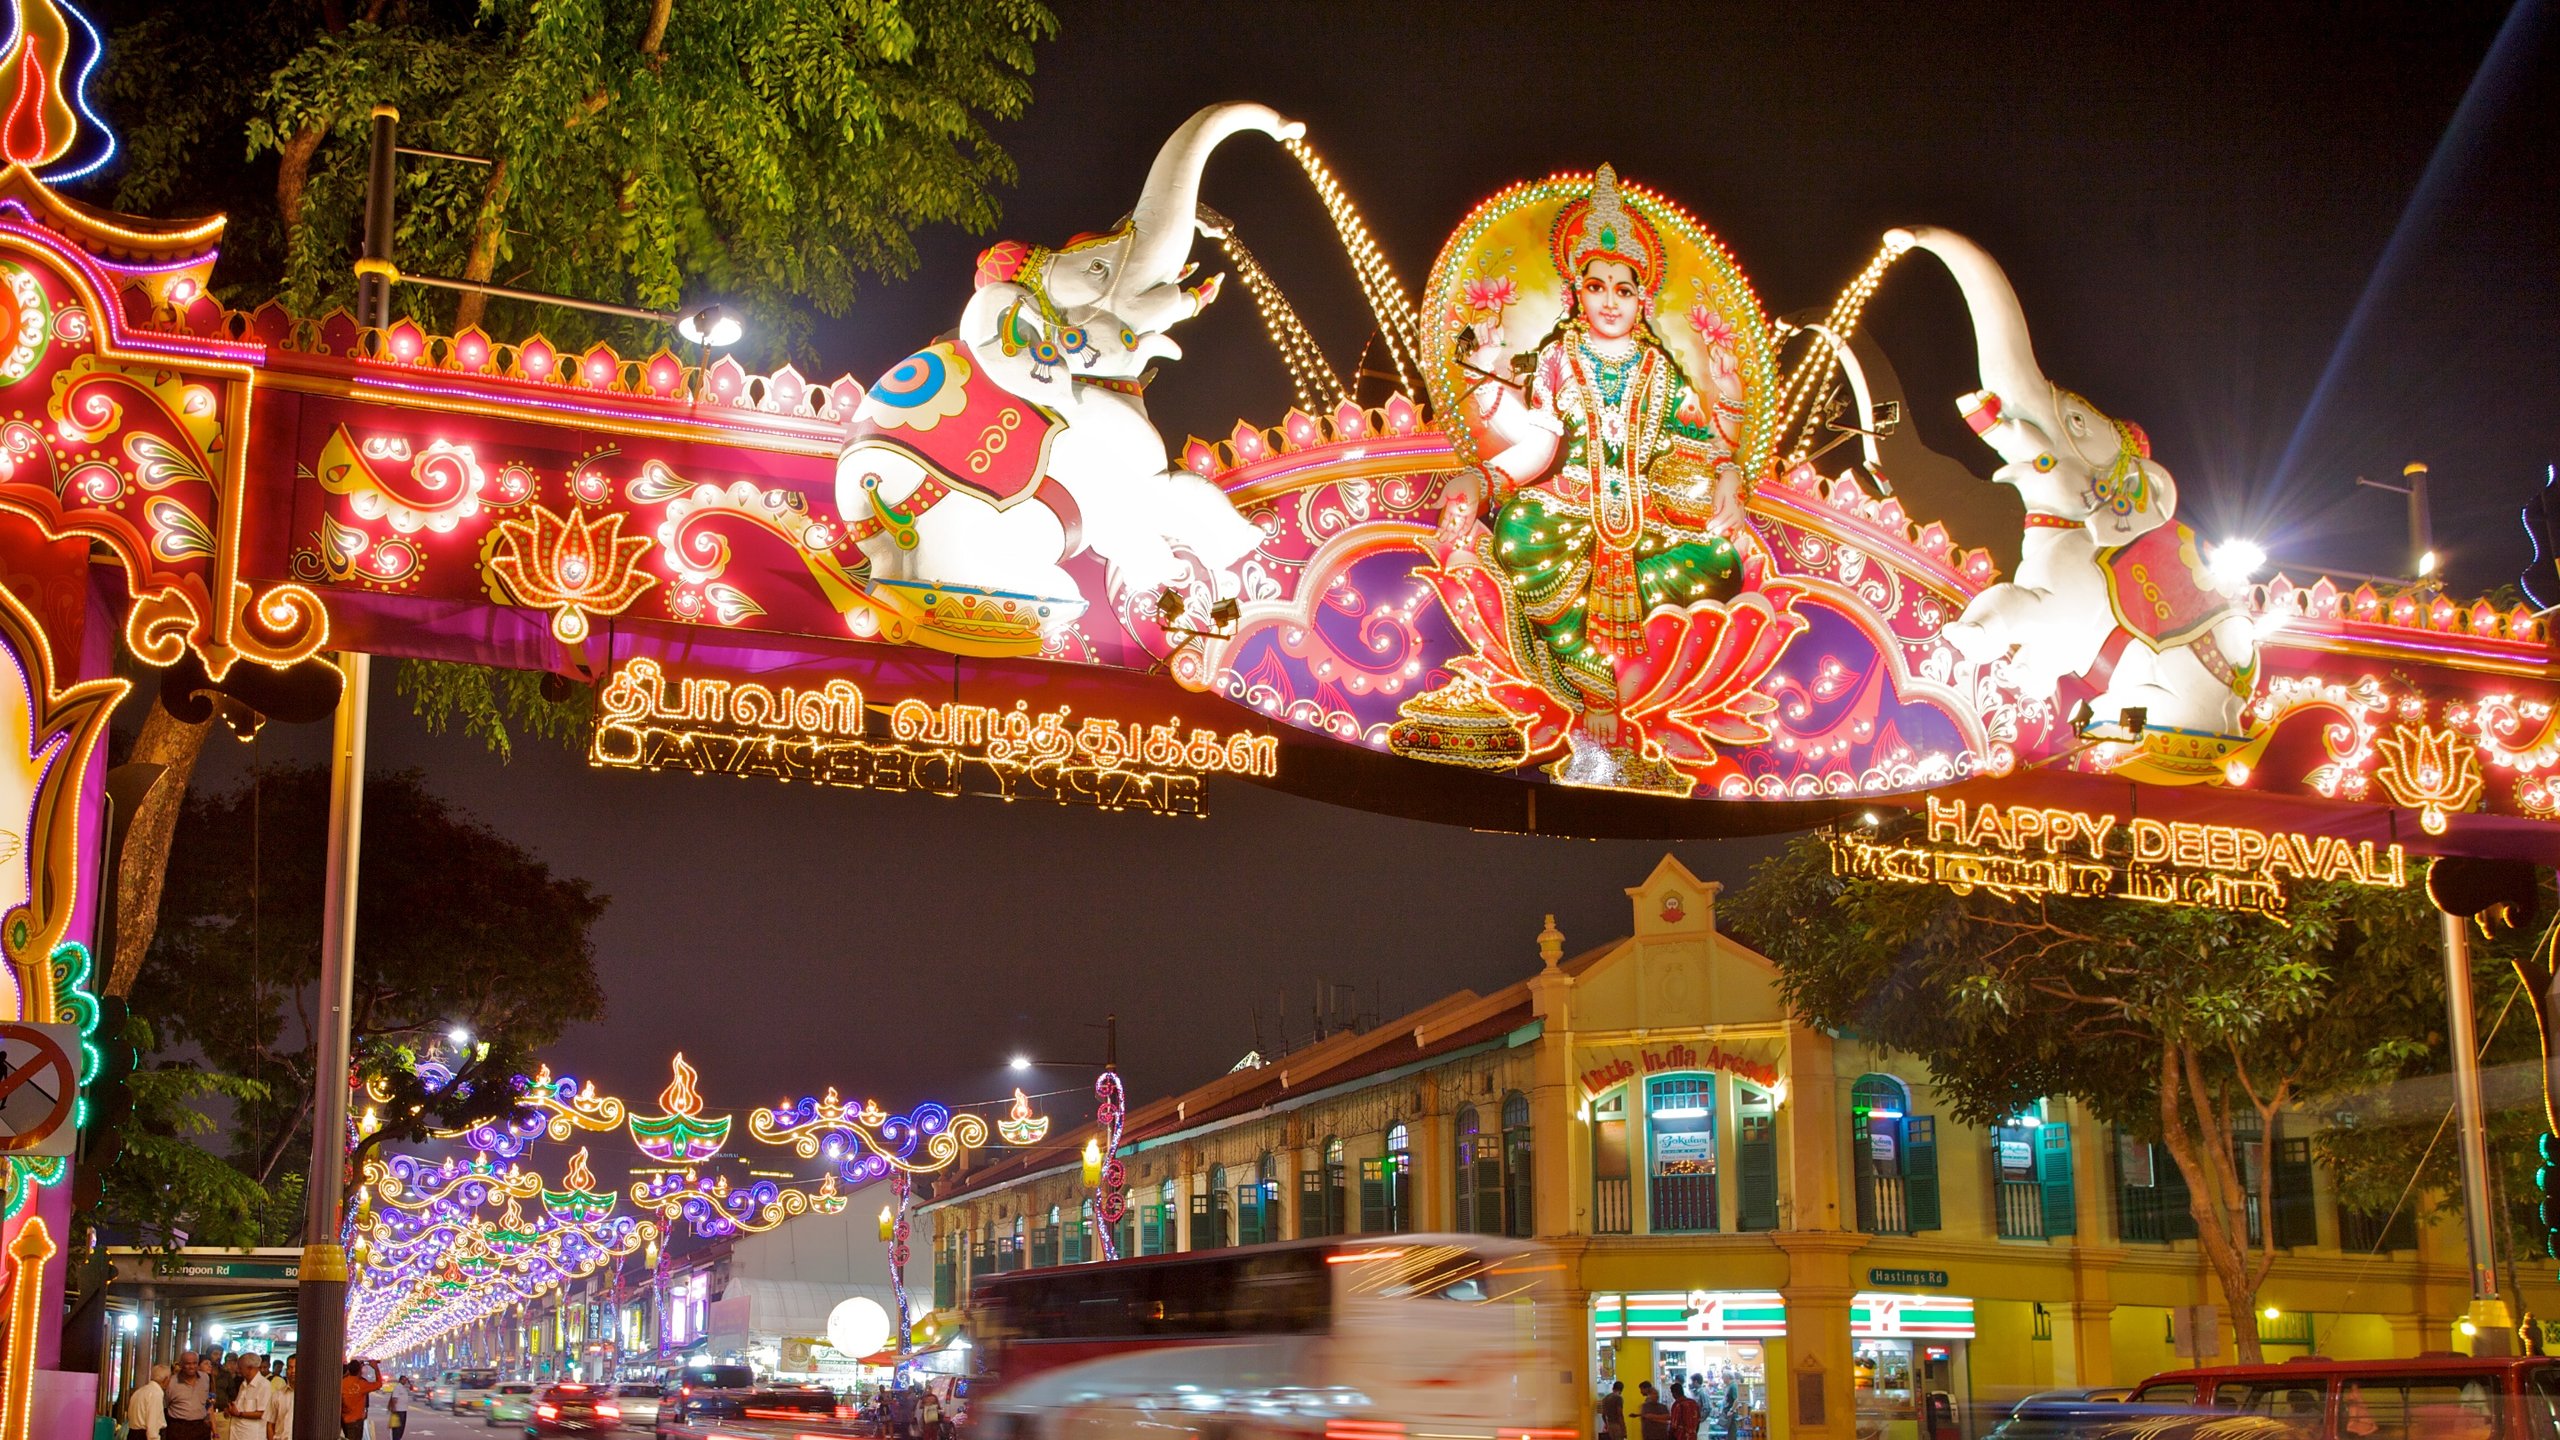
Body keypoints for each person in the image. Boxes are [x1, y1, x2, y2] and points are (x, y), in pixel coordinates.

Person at [1451, 163, 1750, 791]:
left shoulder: (1662, 374)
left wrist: (1727, 475)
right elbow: (1539, 443)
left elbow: (1697, 447)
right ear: (1575, 295)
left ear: (1643, 300)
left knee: (1720, 562)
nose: (1609, 300)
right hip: (1568, 513)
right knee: (1520, 533)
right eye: (1597, 286)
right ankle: (1592, 693)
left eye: (1623, 288)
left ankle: (1629, 709)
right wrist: (1482, 482)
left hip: (1652, 524)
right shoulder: (1558, 359)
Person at [164, 1354, 212, 1440]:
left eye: (195, 1363)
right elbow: (166, 1404)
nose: (192, 1367)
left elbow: (207, 1402)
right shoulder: (171, 1382)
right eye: (188, 1364)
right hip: (179, 1428)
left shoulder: (205, 1378)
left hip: (200, 1427)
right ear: (181, 1364)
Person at [225, 1356, 273, 1440]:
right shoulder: (243, 1384)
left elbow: (263, 1414)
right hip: (237, 1433)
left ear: (250, 1368)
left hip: (252, 1435)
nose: (238, 1370)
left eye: (240, 1368)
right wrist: (230, 1410)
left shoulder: (264, 1385)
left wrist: (239, 1414)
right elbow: (238, 1408)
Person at [341, 1359, 386, 1440]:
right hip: (356, 1422)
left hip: (345, 1421)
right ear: (359, 1371)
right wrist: (375, 1368)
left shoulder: (343, 1382)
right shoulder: (362, 1384)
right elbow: (379, 1384)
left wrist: (351, 1370)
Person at [127, 1364, 171, 1440]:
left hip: (133, 1434)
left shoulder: (139, 1391)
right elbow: (152, 1426)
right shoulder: (155, 1394)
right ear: (166, 1379)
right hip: (144, 1436)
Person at [384, 1375, 408, 1440]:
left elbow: (411, 1388)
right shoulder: (398, 1387)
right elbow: (394, 1398)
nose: (405, 1381)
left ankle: (398, 1438)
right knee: (397, 1428)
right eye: (404, 1380)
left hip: (403, 1410)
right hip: (398, 1410)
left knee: (401, 1428)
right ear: (400, 1380)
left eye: (406, 1380)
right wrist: (394, 1408)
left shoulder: (403, 1387)